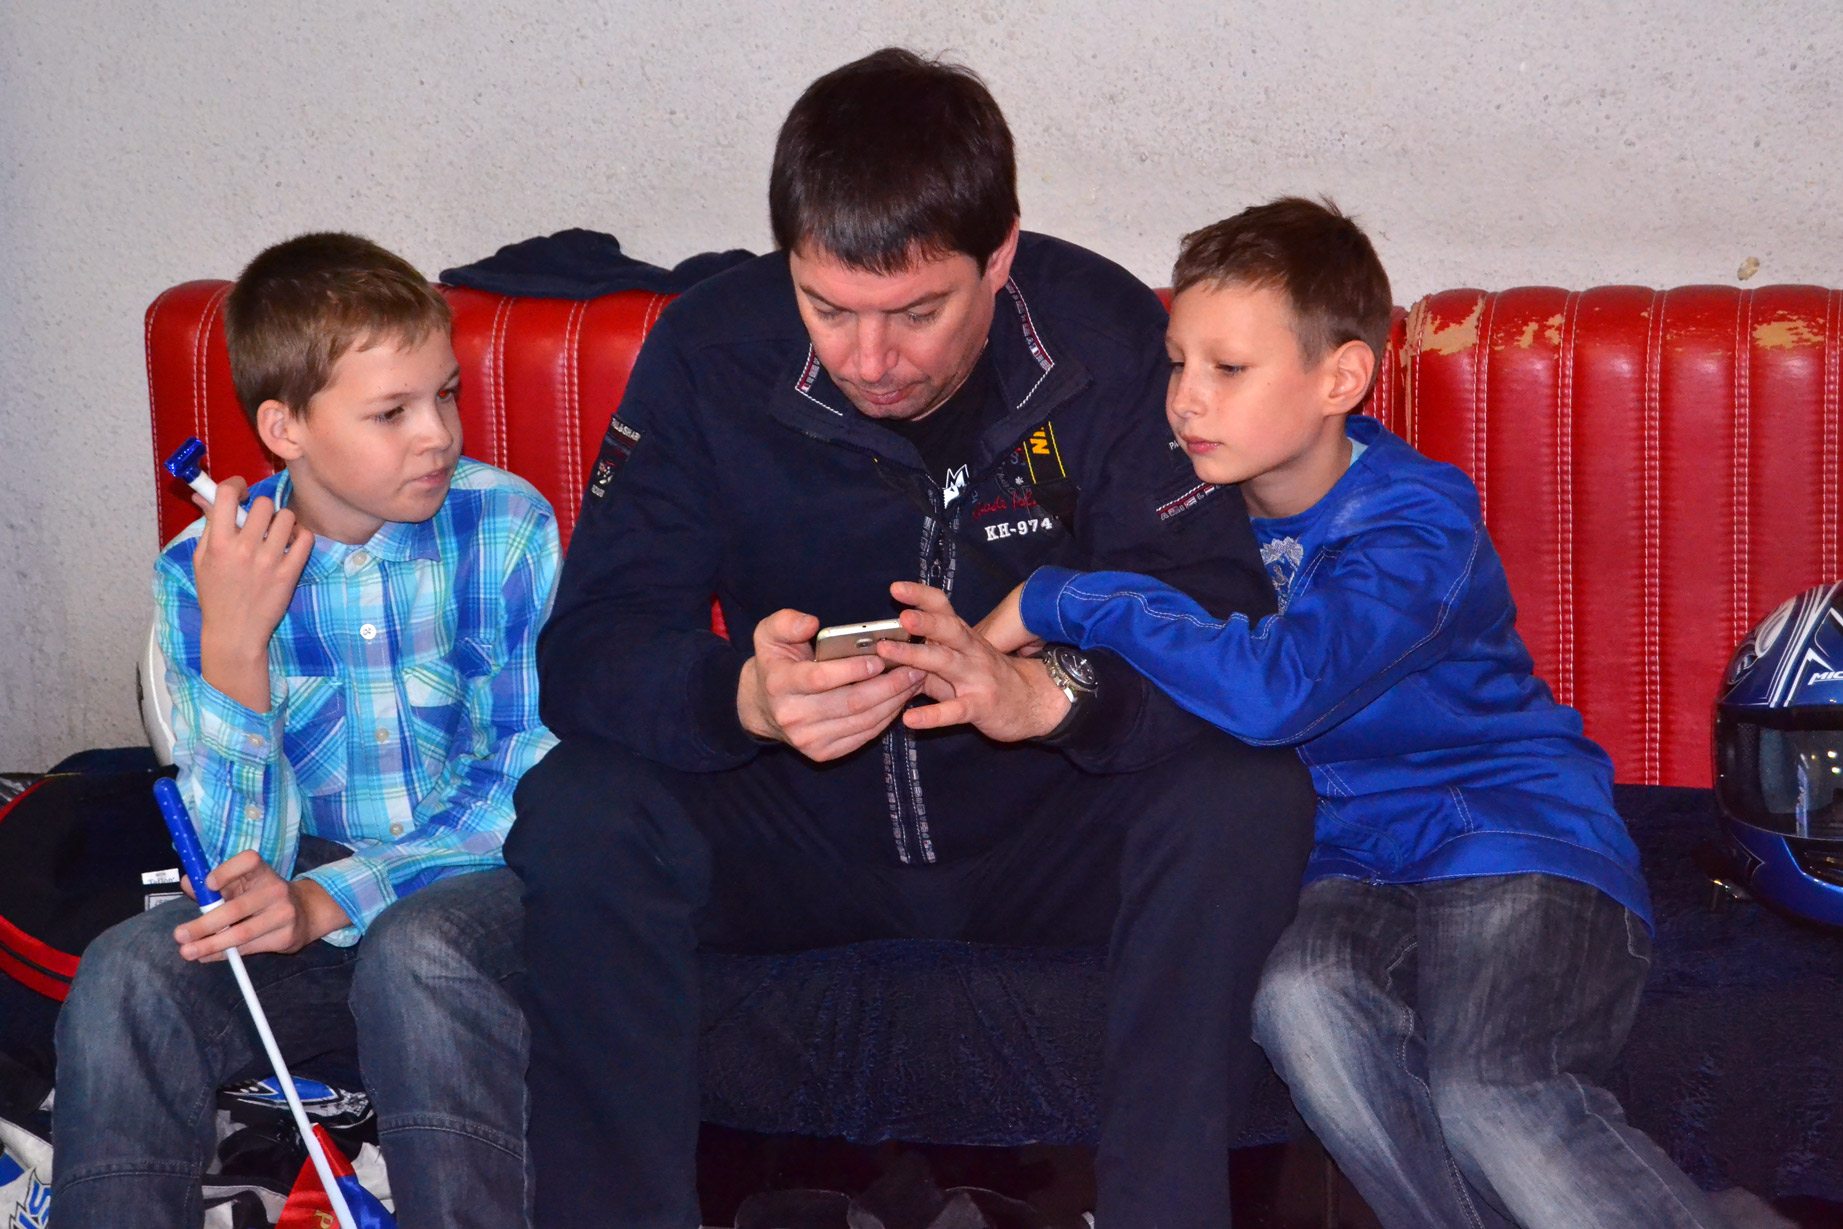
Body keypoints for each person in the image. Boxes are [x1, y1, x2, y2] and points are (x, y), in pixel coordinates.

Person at [507, 49, 1316, 1229]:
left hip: (1046, 823)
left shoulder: (1103, 341)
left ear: (999, 256)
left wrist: (1054, 694)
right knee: (582, 805)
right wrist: (740, 697)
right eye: (827, 307)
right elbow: (589, 649)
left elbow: (1229, 622)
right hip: (799, 822)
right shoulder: (709, 350)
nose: (868, 360)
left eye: (917, 313)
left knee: (1246, 791)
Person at [978, 198, 1733, 1229]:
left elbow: (1277, 691)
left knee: (1489, 1089)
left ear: (1339, 379)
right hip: (1341, 860)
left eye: (1228, 369)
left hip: (1501, 833)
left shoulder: (1418, 523)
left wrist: (1070, 597)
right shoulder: (1193, 515)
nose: (1185, 400)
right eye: (1176, 362)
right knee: (1299, 1003)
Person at [52, 233, 559, 1229]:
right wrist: (238, 647)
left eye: (447, 394)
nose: (438, 434)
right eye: (391, 412)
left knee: (417, 950)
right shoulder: (199, 572)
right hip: (301, 908)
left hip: (479, 894)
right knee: (127, 973)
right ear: (285, 428)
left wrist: (333, 897)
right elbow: (236, 864)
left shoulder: (504, 526)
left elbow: (521, 776)